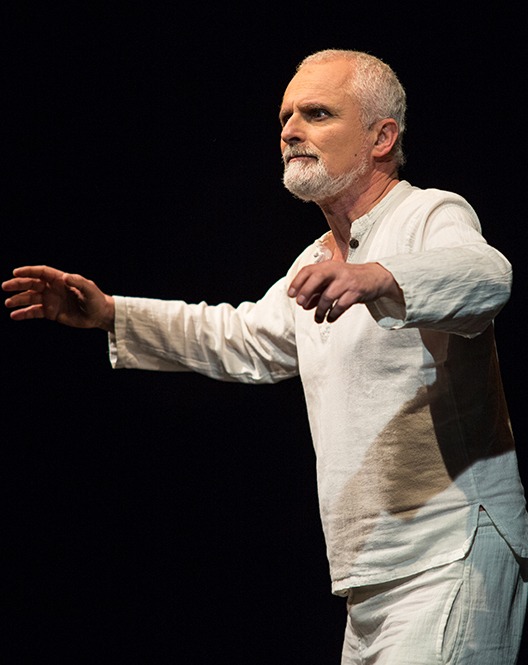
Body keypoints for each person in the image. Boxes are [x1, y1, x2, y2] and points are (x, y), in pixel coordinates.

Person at [3, 49, 527, 664]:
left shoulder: (427, 213)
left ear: (381, 137)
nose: (291, 130)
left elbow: (486, 276)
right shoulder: (317, 259)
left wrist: (380, 277)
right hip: (368, 578)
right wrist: (113, 314)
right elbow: (242, 338)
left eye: (317, 113)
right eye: (285, 117)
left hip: (452, 551)